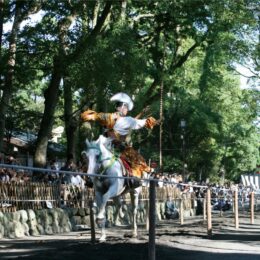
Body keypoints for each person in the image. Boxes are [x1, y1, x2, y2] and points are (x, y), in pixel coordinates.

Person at [81, 92, 158, 178]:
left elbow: (95, 116)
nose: (127, 110)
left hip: (104, 144)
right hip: (119, 147)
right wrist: (151, 121)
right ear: (122, 107)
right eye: (126, 108)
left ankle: (86, 176)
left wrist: (88, 116)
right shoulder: (128, 120)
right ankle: (138, 178)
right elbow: (141, 122)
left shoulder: (108, 116)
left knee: (91, 153)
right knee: (137, 158)